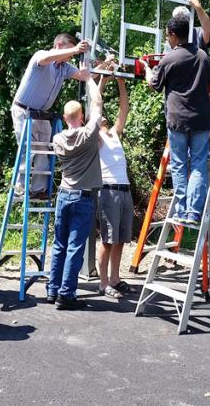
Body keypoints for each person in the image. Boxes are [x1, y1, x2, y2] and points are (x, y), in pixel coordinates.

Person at [143, 18, 210, 225]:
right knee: (199, 165)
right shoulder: (202, 56)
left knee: (180, 165)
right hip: (200, 119)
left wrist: (146, 67)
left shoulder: (169, 59)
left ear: (173, 34)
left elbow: (154, 84)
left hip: (177, 119)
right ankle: (194, 213)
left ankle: (181, 212)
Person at [47, 74, 103, 310]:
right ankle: (66, 294)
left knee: (59, 244)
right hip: (83, 197)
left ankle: (52, 289)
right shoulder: (88, 135)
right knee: (74, 247)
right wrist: (90, 79)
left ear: (64, 118)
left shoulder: (57, 138)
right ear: (82, 117)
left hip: (64, 195)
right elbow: (98, 105)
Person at [11, 33, 89, 199]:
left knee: (43, 151)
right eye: (70, 50)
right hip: (24, 111)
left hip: (41, 115)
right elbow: (46, 58)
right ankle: (19, 190)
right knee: (27, 150)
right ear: (59, 45)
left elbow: (84, 76)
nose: (71, 55)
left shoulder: (64, 67)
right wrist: (76, 49)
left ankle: (38, 189)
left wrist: (104, 66)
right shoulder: (41, 55)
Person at [97, 75, 133, 299]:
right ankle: (102, 284)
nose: (103, 119)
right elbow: (95, 103)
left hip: (124, 190)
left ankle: (115, 278)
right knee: (108, 240)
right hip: (108, 190)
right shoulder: (95, 137)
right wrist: (102, 80)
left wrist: (120, 82)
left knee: (120, 239)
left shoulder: (113, 135)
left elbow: (124, 109)